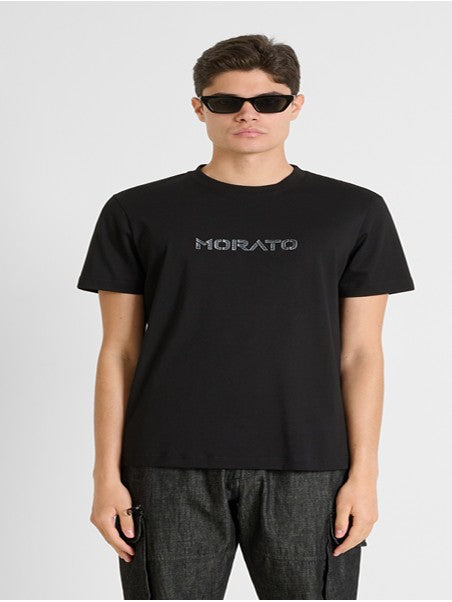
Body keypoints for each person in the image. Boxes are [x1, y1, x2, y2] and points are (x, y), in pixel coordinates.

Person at [76, 34, 415, 600]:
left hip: (310, 467)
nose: (248, 114)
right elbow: (119, 351)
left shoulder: (354, 211)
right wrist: (104, 476)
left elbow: (361, 354)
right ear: (199, 108)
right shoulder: (137, 211)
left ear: (296, 105)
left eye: (269, 101)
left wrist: (365, 476)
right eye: (227, 101)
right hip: (165, 466)